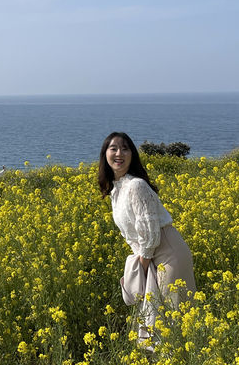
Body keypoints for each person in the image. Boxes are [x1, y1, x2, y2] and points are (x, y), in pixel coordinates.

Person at [98, 132, 196, 338]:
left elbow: (151, 235)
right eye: (113, 148)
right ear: (105, 154)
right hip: (150, 255)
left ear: (132, 155)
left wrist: (139, 270)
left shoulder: (136, 185)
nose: (119, 153)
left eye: (125, 148)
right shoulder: (116, 190)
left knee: (170, 321)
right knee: (156, 321)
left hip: (167, 254)